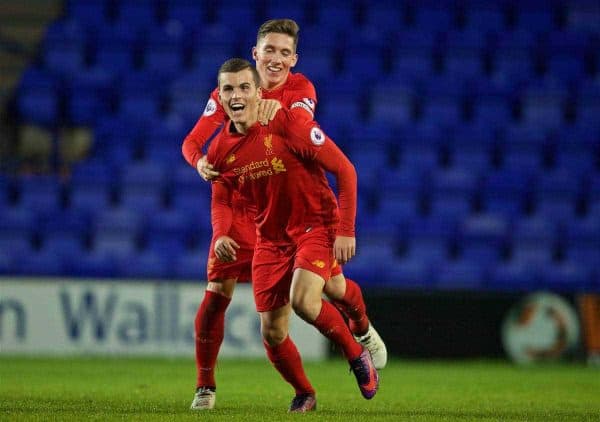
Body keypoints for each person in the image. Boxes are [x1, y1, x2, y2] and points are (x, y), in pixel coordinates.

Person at [181, 19, 386, 410]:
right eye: (268, 50)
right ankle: (300, 393)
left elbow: (338, 162)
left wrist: (345, 228)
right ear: (255, 55)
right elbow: (203, 159)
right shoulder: (225, 136)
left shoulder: (294, 104)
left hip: (311, 217)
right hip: (263, 222)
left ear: (293, 59)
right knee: (269, 328)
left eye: (283, 52)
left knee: (315, 296)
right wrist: (201, 166)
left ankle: (358, 342)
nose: (275, 58)